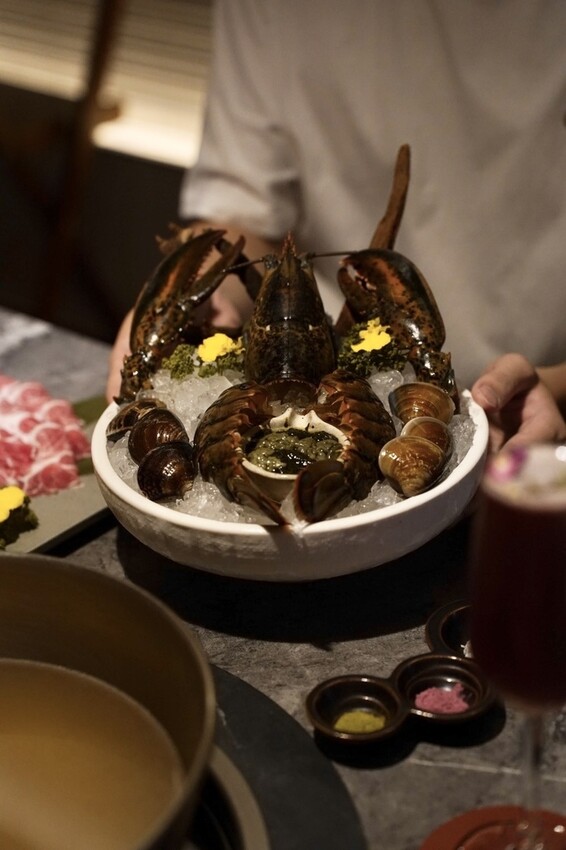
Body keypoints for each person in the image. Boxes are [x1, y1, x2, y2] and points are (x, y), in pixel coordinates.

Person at [107, 0, 566, 450]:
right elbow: (237, 221)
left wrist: (555, 385)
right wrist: (181, 312)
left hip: (539, 410)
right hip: (339, 374)